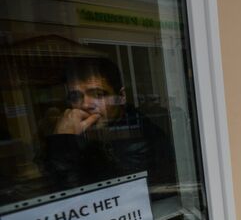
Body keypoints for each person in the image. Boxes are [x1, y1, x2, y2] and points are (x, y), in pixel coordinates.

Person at [45, 57, 175, 191]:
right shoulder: (82, 131)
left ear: (121, 97)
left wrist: (62, 144)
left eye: (98, 94)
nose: (85, 105)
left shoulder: (141, 137)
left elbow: (93, 195)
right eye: (75, 97)